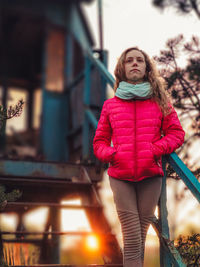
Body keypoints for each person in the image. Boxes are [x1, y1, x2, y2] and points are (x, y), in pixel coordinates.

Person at [93, 47, 185, 267]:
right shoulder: (110, 105)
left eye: (139, 60)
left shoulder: (160, 102)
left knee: (139, 238)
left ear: (146, 68)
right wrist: (112, 154)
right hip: (120, 176)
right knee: (133, 236)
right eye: (129, 61)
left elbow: (177, 133)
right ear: (122, 69)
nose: (134, 63)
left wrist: (155, 149)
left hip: (150, 177)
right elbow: (99, 142)